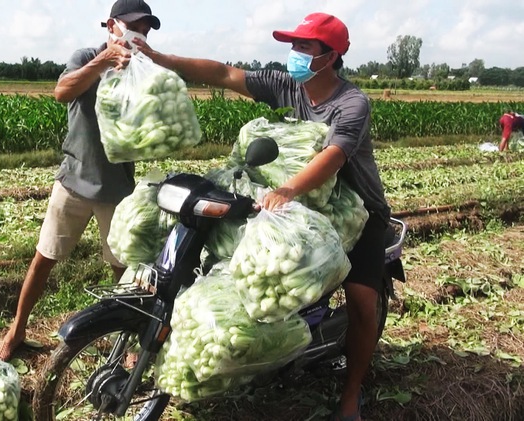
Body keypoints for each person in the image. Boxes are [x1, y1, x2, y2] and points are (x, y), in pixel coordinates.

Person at [138, 12, 390, 421]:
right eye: (293, 45)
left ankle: (351, 394)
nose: (294, 53)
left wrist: (288, 188)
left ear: (329, 57)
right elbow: (223, 74)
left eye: (304, 47)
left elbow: (334, 154)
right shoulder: (287, 85)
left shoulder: (352, 102)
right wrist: (161, 59)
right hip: (299, 208)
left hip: (356, 209)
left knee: (362, 303)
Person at [0, 0, 161, 362]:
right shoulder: (85, 56)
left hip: (117, 188)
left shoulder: (143, 69)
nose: (139, 33)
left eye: (145, 28)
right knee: (44, 258)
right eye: (133, 26)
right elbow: (62, 91)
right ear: (111, 26)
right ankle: (16, 330)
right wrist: (104, 62)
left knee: (123, 270)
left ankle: (128, 344)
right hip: (73, 181)